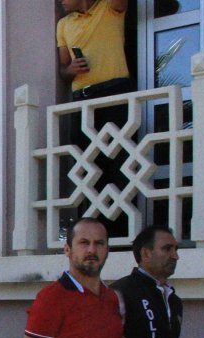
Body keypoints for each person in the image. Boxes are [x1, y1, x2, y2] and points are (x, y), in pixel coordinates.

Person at [57, 0, 131, 236]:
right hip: (82, 98)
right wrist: (71, 69)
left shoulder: (109, 8)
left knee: (117, 161)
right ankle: (88, 230)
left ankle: (118, 231)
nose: (60, 1)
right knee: (86, 164)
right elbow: (63, 69)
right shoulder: (63, 24)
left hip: (113, 92)